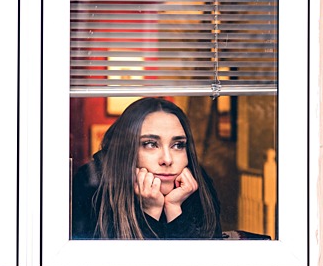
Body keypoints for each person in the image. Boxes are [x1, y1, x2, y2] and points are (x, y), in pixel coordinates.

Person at [72, 97, 222, 239]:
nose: (167, 160)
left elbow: (201, 263)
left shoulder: (198, 185)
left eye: (178, 145)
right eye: (150, 144)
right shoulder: (93, 185)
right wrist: (151, 212)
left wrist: (174, 210)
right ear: (126, 150)